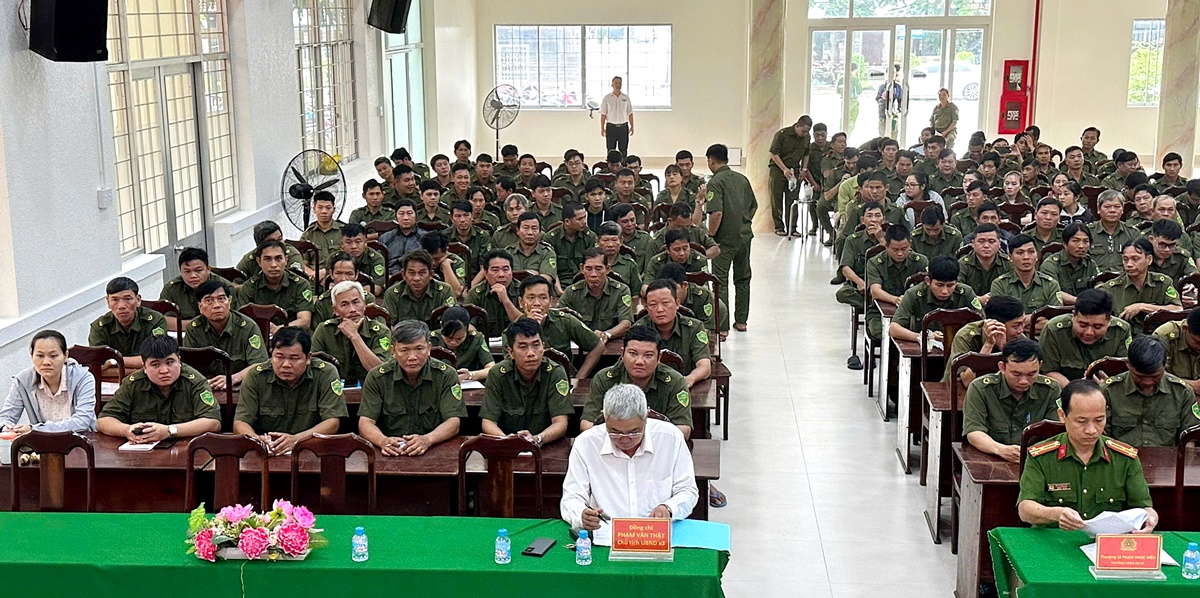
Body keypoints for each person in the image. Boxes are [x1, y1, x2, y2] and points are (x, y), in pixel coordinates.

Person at [1017, 379, 1157, 530]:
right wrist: (1056, 514)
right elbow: (1025, 510)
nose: (1091, 430)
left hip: (1106, 540)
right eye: (1081, 421)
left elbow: (1144, 508)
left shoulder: (1125, 458)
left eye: (1099, 420)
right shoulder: (1042, 456)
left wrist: (1150, 520)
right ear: (1062, 415)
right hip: (1055, 538)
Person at [562, 383, 698, 531]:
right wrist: (581, 515)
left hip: (657, 531)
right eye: (615, 432)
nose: (625, 439)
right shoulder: (586, 443)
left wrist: (669, 507)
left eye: (634, 432)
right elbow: (572, 497)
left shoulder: (670, 438)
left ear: (645, 418)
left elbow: (687, 490)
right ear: (605, 418)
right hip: (607, 529)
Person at [358, 319, 466, 457]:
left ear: (429, 348)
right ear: (393, 351)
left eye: (419, 349)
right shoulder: (377, 377)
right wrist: (383, 441)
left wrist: (427, 439)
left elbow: (453, 422)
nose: (412, 357)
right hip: (392, 452)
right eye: (404, 350)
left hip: (435, 451)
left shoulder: (446, 375)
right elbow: (365, 422)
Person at [233, 326, 347, 455]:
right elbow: (240, 422)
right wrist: (257, 441)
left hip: (311, 450)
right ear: (271, 353)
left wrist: (296, 440)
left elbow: (332, 423)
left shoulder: (325, 373)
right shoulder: (256, 376)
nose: (286, 365)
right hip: (267, 452)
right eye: (279, 357)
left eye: (294, 358)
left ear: (308, 358)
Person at [96, 336, 222, 443]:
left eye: (170, 362)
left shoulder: (194, 381)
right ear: (144, 367)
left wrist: (169, 431)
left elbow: (213, 422)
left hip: (185, 447)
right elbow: (103, 421)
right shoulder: (133, 384)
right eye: (155, 365)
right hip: (143, 453)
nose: (164, 370)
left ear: (179, 361)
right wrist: (125, 430)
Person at [581, 325, 691, 436]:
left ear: (659, 357)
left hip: (659, 443)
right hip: (613, 441)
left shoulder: (675, 381)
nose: (639, 361)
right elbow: (586, 425)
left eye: (648, 355)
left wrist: (638, 434)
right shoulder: (604, 379)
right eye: (633, 354)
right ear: (622, 354)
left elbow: (684, 430)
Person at [962, 339, 1061, 463]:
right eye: (1016, 374)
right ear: (1002, 367)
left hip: (1037, 459)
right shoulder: (981, 388)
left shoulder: (1050, 390)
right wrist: (1000, 450)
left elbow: (1055, 434)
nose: (1024, 381)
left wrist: (1031, 455)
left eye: (1031, 374)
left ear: (1040, 366)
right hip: (990, 457)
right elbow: (974, 431)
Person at [479, 318, 572, 447]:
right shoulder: (498, 374)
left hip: (545, 445)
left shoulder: (555, 373)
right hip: (505, 446)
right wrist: (508, 440)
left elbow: (560, 423)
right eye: (523, 347)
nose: (531, 353)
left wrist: (537, 439)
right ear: (511, 353)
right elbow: (488, 422)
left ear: (543, 347)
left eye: (536, 345)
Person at [1100, 334, 1200, 447]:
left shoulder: (1182, 392)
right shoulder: (1109, 391)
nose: (1147, 382)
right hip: (1120, 456)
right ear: (1128, 364)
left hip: (1167, 457)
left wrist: (1187, 457)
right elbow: (1101, 437)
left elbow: (1189, 438)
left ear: (1165, 365)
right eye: (1140, 376)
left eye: (1155, 376)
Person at [0, 330, 96, 433]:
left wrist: (35, 429)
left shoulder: (83, 378)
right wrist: (7, 427)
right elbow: (5, 417)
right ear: (31, 355)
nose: (46, 362)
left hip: (81, 439)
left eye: (53, 356)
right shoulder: (22, 381)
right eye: (40, 356)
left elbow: (82, 422)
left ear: (65, 356)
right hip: (41, 441)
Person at [705, 143, 757, 332]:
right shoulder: (742, 179)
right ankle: (741, 321)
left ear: (711, 160)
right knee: (743, 279)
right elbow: (753, 206)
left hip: (724, 240)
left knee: (720, 281)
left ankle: (722, 326)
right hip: (744, 237)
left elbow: (716, 213)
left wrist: (710, 236)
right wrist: (742, 224)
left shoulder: (715, 182)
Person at [182, 280, 268, 390]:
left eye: (221, 299)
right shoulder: (194, 329)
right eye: (209, 301)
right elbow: (188, 367)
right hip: (206, 387)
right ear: (200, 307)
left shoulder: (248, 327)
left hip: (240, 387)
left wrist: (233, 378)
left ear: (229, 302)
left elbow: (259, 364)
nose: (217, 305)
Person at [516, 275, 604, 380]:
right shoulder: (513, 330)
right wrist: (532, 326)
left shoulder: (565, 320)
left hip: (563, 380)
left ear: (550, 301)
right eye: (531, 298)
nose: (537, 303)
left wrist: (580, 377)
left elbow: (597, 345)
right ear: (521, 302)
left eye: (543, 298)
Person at [1038, 288, 1132, 386]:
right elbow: (1048, 371)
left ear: (1109, 321)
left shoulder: (1121, 331)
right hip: (1066, 388)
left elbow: (1126, 371)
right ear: (1074, 316)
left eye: (1097, 327)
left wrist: (1108, 385)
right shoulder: (1054, 330)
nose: (1089, 332)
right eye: (1083, 325)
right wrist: (1075, 390)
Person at [635, 280, 713, 388]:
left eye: (665, 303)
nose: (660, 310)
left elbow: (705, 365)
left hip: (686, 386)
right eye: (653, 305)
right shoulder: (638, 330)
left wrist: (690, 379)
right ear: (647, 308)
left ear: (677, 304)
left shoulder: (694, 328)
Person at [889, 256, 981, 343]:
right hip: (924, 348)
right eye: (939, 285)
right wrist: (925, 336)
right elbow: (893, 329)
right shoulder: (913, 294)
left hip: (959, 345)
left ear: (956, 282)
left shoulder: (966, 293)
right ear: (928, 281)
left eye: (950, 285)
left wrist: (960, 336)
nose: (945, 291)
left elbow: (982, 323)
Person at [310, 281, 389, 383]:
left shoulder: (381, 331)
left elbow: (381, 374)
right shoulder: (324, 330)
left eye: (356, 302)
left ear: (364, 304)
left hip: (371, 388)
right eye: (344, 305)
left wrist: (354, 336)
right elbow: (312, 367)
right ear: (335, 310)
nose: (352, 309)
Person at [1097, 238, 1181, 330]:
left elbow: (1177, 309)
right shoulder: (1111, 288)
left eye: (1135, 259)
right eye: (1125, 259)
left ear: (1149, 259)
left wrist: (1142, 307)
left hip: (1157, 335)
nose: (1129, 264)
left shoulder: (1163, 283)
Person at [865, 224, 928, 344]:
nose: (900, 253)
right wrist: (895, 300)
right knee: (880, 331)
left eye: (904, 249)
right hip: (880, 312)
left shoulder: (920, 262)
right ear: (886, 246)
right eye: (895, 250)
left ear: (910, 244)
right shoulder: (875, 263)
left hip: (913, 313)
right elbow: (875, 291)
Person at [943, 295, 1026, 386]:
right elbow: (967, 381)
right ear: (997, 325)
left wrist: (1004, 349)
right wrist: (988, 345)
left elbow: (1023, 374)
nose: (1021, 330)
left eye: (1023, 323)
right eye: (1015, 326)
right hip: (956, 389)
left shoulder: (1018, 337)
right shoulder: (966, 336)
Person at [234, 240, 314, 333]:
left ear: (286, 260)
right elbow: (242, 321)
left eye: (278, 259)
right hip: (260, 335)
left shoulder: (300, 284)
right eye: (267, 259)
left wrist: (280, 329)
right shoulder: (249, 287)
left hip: (292, 334)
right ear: (259, 261)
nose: (273, 265)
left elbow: (305, 321)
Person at [89, 277, 168, 370]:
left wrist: (113, 361)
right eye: (115, 300)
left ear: (138, 300)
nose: (121, 306)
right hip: (116, 378)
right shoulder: (99, 327)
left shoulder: (155, 321)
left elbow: (156, 359)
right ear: (108, 302)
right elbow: (98, 366)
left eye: (127, 299)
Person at [558, 247, 634, 340]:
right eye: (588, 269)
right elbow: (558, 319)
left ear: (607, 269)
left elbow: (626, 323)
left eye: (598, 269)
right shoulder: (571, 292)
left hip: (611, 341)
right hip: (580, 341)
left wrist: (606, 334)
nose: (593, 274)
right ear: (581, 269)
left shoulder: (621, 291)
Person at [989, 234, 1062, 317]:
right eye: (1020, 253)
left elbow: (1055, 318)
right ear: (1010, 257)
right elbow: (998, 317)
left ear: (1037, 256)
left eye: (1031, 252)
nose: (1026, 257)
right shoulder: (1000, 284)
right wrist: (1034, 318)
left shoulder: (1051, 285)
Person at [158, 247, 230, 327]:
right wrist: (196, 327)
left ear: (208, 269)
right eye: (187, 271)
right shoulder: (171, 289)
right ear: (180, 271)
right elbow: (162, 320)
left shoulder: (224, 287)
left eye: (198, 270)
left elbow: (230, 320)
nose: (193, 276)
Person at [381, 249, 457, 324]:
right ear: (403, 275)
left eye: (422, 273)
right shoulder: (392, 294)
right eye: (412, 273)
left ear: (431, 274)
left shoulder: (445, 291)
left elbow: (452, 325)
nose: (416, 278)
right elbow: (387, 326)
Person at [767, 115, 813, 235]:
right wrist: (784, 169)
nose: (804, 134)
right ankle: (779, 227)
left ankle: (792, 228)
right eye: (803, 131)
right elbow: (774, 154)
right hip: (778, 170)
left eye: (807, 131)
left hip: (795, 170)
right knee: (776, 199)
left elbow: (806, 154)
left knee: (793, 200)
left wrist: (804, 169)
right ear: (797, 125)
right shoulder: (782, 134)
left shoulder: (807, 137)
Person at [463, 249, 523, 338]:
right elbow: (468, 325)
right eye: (495, 270)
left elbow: (525, 324)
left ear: (512, 271)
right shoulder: (475, 294)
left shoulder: (522, 290)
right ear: (486, 273)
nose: (501, 275)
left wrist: (505, 300)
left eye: (506, 269)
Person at [431, 306, 494, 382]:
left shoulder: (476, 339)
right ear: (441, 326)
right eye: (448, 337)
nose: (453, 342)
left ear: (467, 329)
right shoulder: (430, 339)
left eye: (459, 338)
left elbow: (491, 368)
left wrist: (471, 375)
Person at [1040, 223, 1098, 304]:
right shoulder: (1051, 264)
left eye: (1086, 241)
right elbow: (1052, 291)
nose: (1081, 246)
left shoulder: (1090, 264)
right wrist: (1080, 301)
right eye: (1075, 241)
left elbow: (1098, 284)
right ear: (1064, 244)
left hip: (1086, 308)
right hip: (1059, 308)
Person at [543, 201, 598, 283]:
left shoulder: (590, 237)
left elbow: (592, 266)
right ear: (567, 221)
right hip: (559, 282)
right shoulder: (551, 238)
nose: (584, 222)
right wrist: (559, 289)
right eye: (579, 219)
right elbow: (550, 270)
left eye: (584, 217)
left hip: (583, 281)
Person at [958, 224, 1012, 303]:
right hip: (970, 306)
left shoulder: (1008, 263)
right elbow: (957, 290)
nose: (986, 246)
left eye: (991, 241)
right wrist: (978, 299)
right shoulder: (963, 264)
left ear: (999, 244)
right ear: (973, 243)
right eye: (981, 241)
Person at [1152, 308, 1200, 394]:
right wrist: (1190, 385)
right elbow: (1152, 374)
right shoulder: (1164, 336)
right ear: (1185, 329)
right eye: (1198, 342)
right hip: (1171, 393)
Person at [236, 220, 305, 277]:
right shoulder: (249, 260)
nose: (278, 244)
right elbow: (235, 283)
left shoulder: (292, 255)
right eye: (272, 242)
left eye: (280, 239)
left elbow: (298, 283)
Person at [299, 191, 345, 273]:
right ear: (314, 209)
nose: (324, 211)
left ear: (334, 209)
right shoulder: (308, 234)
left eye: (328, 208)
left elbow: (350, 257)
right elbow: (302, 263)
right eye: (320, 207)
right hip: (314, 276)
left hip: (339, 274)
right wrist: (314, 274)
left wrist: (325, 272)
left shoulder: (344, 231)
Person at [378, 199, 427, 275]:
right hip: (390, 276)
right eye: (401, 214)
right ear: (395, 217)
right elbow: (379, 263)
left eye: (409, 213)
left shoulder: (425, 237)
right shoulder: (385, 238)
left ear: (416, 215)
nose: (405, 218)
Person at [336, 223, 386, 294]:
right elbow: (329, 285)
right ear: (342, 244)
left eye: (358, 242)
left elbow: (376, 289)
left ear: (365, 242)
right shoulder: (334, 258)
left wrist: (349, 292)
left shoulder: (376, 259)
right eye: (349, 242)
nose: (354, 246)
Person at [1147, 219, 1196, 289]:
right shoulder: (1141, 256)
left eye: (1172, 245)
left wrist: (1192, 284)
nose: (1167, 249)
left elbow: (1194, 276)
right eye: (1162, 245)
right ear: (1151, 239)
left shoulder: (1182, 257)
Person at [599, 75, 634, 156]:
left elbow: (630, 113)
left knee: (623, 149)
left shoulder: (626, 98)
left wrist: (632, 126)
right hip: (611, 127)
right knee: (611, 149)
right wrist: (602, 128)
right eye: (616, 83)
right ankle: (611, 164)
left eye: (620, 83)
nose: (618, 85)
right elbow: (603, 114)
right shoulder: (607, 98)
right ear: (612, 85)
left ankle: (623, 164)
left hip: (623, 127)